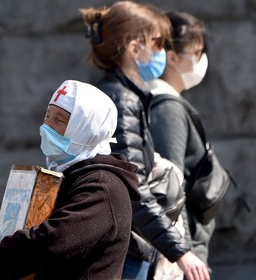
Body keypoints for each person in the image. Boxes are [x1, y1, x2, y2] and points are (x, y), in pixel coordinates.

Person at [0, 80, 141, 280]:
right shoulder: (72, 175)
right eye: (47, 115)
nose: (47, 126)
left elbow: (52, 241)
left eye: (60, 120)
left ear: (87, 129)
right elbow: (24, 228)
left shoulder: (102, 186)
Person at [80, 2, 210, 280]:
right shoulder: (122, 100)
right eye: (158, 44)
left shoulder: (122, 95)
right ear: (134, 48)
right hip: (129, 253)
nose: (162, 52)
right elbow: (134, 187)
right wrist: (180, 251)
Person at [148, 11, 215, 277]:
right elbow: (171, 188)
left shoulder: (165, 101)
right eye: (196, 53)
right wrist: (185, 255)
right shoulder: (167, 108)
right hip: (185, 252)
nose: (201, 61)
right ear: (172, 58)